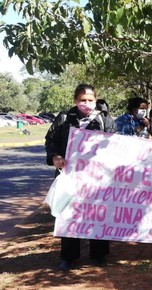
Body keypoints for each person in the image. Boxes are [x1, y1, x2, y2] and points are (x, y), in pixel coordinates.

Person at [44, 84, 117, 271]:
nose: (86, 103)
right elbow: (50, 140)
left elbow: (116, 143)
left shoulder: (104, 119)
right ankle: (68, 257)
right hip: (69, 175)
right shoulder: (63, 118)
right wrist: (54, 156)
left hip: (97, 177)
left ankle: (99, 254)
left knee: (97, 213)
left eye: (90, 100)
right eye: (82, 100)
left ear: (96, 100)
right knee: (68, 212)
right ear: (75, 101)